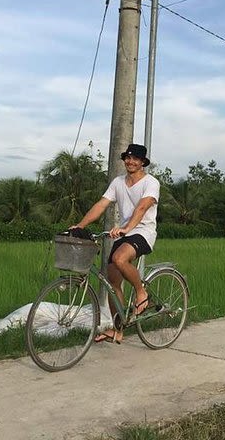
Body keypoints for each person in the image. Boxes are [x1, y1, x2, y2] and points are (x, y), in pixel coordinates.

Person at [70, 143, 160, 344]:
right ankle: (118, 330)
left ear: (143, 162)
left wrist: (127, 228)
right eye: (128, 158)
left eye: (135, 158)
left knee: (120, 258)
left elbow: (143, 207)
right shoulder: (118, 182)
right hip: (123, 234)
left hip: (143, 232)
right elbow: (101, 204)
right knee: (113, 282)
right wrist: (80, 225)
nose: (130, 161)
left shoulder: (151, 182)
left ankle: (141, 292)